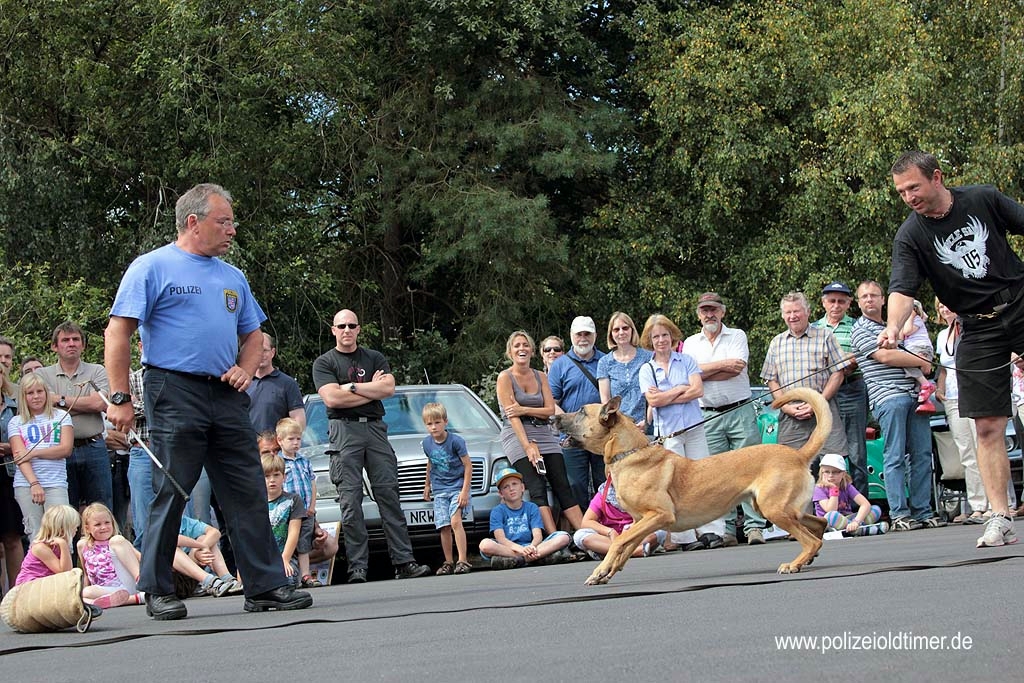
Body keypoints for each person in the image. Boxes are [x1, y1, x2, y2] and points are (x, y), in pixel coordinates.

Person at [105, 182, 311, 620]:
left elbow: (253, 334)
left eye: (233, 222)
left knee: (248, 488)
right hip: (173, 387)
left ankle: (265, 586)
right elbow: (117, 332)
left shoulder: (232, 277)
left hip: (227, 392)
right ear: (193, 222)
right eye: (224, 221)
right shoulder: (153, 266)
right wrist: (120, 397)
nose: (232, 230)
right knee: (173, 488)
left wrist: (245, 365)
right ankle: (158, 588)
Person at [883, 150, 1024, 547]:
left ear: (937, 178)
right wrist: (893, 326)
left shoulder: (982, 199)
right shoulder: (910, 235)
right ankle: (1000, 515)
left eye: (913, 187)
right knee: (988, 425)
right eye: (901, 192)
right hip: (976, 328)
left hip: (1019, 302)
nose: (908, 197)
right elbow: (901, 289)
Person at [311, 309, 430, 584]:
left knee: (389, 496)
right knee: (351, 503)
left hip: (376, 429)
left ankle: (404, 562)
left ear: (359, 329)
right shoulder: (324, 362)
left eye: (352, 325)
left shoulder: (374, 357)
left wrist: (349, 387)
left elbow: (388, 389)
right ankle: (357, 568)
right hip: (344, 431)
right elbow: (332, 400)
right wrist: (366, 388)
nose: (347, 330)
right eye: (341, 326)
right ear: (333, 330)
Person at [851, 279, 944, 531]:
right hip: (888, 397)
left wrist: (923, 360)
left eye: (874, 295)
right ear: (858, 303)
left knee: (922, 455)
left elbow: (924, 350)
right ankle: (900, 513)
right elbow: (886, 356)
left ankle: (923, 510)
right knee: (894, 456)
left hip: (916, 396)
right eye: (864, 297)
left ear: (884, 300)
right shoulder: (860, 329)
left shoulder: (897, 326)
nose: (869, 299)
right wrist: (922, 362)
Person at [683, 292, 767, 546]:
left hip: (740, 410)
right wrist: (718, 367)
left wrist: (701, 371)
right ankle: (727, 529)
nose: (709, 314)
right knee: (718, 476)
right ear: (698, 314)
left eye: (714, 309)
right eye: (704, 310)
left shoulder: (737, 335)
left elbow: (737, 368)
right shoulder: (690, 343)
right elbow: (689, 376)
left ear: (723, 311)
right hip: (707, 415)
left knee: (751, 469)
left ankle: (754, 528)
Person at [639, 313, 725, 550]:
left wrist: (667, 394)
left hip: (694, 427)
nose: (661, 340)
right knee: (676, 485)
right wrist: (680, 389)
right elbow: (653, 402)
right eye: (656, 336)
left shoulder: (686, 360)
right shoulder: (646, 368)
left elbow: (697, 391)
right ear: (650, 340)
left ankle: (712, 531)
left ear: (672, 336)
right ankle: (684, 537)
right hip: (669, 434)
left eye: (665, 335)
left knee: (706, 480)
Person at [495, 330, 583, 535]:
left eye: (525, 345)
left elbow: (549, 410)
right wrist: (527, 447)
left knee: (563, 485)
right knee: (537, 488)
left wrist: (524, 408)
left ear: (532, 350)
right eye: (516, 346)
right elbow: (512, 416)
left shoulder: (541, 376)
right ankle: (555, 539)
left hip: (543, 432)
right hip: (517, 435)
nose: (521, 349)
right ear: (510, 352)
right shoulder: (505, 378)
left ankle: (585, 535)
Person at [760, 292, 850, 467]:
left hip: (824, 409)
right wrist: (785, 407)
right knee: (789, 467)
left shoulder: (825, 336)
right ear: (783, 315)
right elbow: (771, 380)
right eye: (788, 312)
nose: (792, 316)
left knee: (833, 465)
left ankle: (831, 496)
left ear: (807, 312)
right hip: (790, 415)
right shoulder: (776, 342)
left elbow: (838, 373)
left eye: (797, 311)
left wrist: (818, 402)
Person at [35, 321, 113, 510]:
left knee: (102, 509)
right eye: (65, 340)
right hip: (59, 451)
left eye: (76, 339)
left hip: (94, 447)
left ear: (83, 345)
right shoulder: (42, 375)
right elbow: (42, 408)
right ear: (55, 346)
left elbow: (100, 403)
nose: (71, 344)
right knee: (65, 511)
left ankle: (105, 542)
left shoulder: (97, 370)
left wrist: (59, 400)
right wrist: (85, 404)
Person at [813, 282, 870, 495]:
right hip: (825, 393)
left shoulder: (857, 327)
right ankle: (828, 504)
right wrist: (842, 361)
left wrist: (840, 361)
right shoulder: (814, 329)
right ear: (823, 302)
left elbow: (862, 355)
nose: (836, 305)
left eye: (841, 301)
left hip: (852, 389)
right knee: (827, 452)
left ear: (848, 303)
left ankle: (860, 504)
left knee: (856, 451)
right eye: (831, 301)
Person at [935, 299, 987, 523]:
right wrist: (939, 388)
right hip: (954, 398)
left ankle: (1000, 503)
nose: (945, 308)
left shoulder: (972, 326)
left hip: (976, 392)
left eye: (949, 304)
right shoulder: (941, 336)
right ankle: (978, 505)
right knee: (966, 453)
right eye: (941, 306)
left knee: (986, 446)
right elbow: (944, 370)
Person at [548, 316, 606, 510]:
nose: (583, 338)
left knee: (604, 481)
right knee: (576, 485)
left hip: (601, 434)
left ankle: (606, 524)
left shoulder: (606, 361)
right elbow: (551, 403)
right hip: (572, 436)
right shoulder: (560, 365)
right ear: (572, 336)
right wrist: (572, 424)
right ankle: (582, 530)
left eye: (587, 334)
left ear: (595, 336)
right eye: (579, 334)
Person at [8, 373, 73, 537]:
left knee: (61, 534)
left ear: (46, 392)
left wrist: (33, 452)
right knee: (36, 536)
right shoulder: (16, 422)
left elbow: (65, 449)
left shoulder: (62, 416)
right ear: (23, 396)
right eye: (30, 393)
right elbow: (19, 457)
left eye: (40, 391)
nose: (36, 396)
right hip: (26, 485)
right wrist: (34, 483)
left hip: (56, 482)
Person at [478, 467, 571, 569]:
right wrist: (520, 550)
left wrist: (531, 547)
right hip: (509, 547)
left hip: (532, 546)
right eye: (506, 487)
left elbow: (537, 535)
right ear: (501, 493)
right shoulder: (497, 511)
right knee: (485, 545)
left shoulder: (532, 507)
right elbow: (501, 539)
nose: (511, 489)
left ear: (522, 487)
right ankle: (534, 558)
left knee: (563, 537)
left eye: (514, 484)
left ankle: (519, 559)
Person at [421, 402, 473, 575]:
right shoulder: (427, 443)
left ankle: (463, 560)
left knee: (455, 521)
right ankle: (448, 561)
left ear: (445, 422)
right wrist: (427, 485)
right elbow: (431, 463)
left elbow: (467, 466)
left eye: (437, 422)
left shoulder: (456, 441)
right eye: (429, 424)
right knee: (443, 525)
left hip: (457, 487)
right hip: (440, 489)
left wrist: (465, 491)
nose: (434, 427)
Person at [275, 417, 321, 587]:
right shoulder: (278, 462)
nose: (295, 443)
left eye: (298, 439)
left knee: (304, 544)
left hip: (305, 512)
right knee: (287, 541)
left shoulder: (304, 461)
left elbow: (312, 483)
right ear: (280, 441)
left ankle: (306, 574)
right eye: (291, 439)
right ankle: (283, 573)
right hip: (287, 513)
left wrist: (312, 506)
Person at [572, 479, 666, 560]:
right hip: (610, 538)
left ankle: (608, 552)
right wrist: (610, 532)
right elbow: (586, 522)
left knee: (661, 531)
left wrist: (632, 528)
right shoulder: (603, 494)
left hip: (634, 535)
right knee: (580, 536)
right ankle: (632, 552)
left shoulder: (642, 492)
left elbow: (651, 517)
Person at [77, 502, 145, 608]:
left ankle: (143, 584)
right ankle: (135, 599)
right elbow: (86, 574)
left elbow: (141, 558)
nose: (104, 527)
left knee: (116, 540)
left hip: (126, 584)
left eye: (107, 522)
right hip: (105, 590)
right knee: (86, 592)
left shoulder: (119, 542)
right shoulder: (82, 546)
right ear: (87, 528)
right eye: (97, 524)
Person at [597, 312, 653, 431]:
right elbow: (606, 401)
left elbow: (655, 391)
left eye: (625, 328)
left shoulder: (648, 357)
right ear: (611, 334)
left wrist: (647, 422)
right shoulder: (604, 362)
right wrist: (618, 424)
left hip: (647, 425)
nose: (621, 332)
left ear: (632, 330)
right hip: (619, 428)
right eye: (616, 329)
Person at [0, 335, 25, 594]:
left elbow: (27, 437)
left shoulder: (16, 403)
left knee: (12, 536)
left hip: (9, 473)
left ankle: (18, 594)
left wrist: (10, 447)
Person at [812, 454, 888, 536]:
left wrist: (856, 521)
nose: (830, 475)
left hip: (847, 519)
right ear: (821, 473)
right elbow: (831, 509)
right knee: (831, 516)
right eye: (827, 472)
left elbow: (865, 504)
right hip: (828, 522)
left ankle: (853, 529)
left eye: (835, 472)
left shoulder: (847, 486)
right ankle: (862, 530)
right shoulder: (819, 489)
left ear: (843, 474)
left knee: (876, 509)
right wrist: (834, 489)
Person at [247, 333, 306, 434]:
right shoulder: (243, 382)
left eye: (265, 350)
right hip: (247, 447)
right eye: (257, 350)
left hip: (276, 447)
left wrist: (287, 445)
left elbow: (298, 421)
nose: (261, 354)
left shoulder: (288, 384)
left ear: (273, 352)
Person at [262, 453, 305, 588]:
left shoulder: (293, 500)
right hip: (261, 558)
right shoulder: (254, 503)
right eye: (267, 476)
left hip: (285, 555)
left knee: (287, 582)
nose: (271, 480)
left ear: (284, 477)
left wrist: (285, 558)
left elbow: (294, 532)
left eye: (276, 475)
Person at [126, 347, 154, 551]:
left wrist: (140, 405)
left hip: (173, 453)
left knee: (183, 516)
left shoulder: (178, 378)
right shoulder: (131, 378)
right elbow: (122, 409)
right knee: (143, 519)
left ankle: (188, 577)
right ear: (139, 348)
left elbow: (178, 410)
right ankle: (147, 575)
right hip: (141, 451)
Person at [14, 504, 79, 587]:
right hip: (30, 585)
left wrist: (63, 546)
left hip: (45, 583)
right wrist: (63, 545)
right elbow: (64, 572)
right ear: (63, 530)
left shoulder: (58, 546)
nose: (77, 529)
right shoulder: (40, 548)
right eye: (74, 527)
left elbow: (68, 571)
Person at [176, 514, 239, 597]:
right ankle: (210, 582)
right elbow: (172, 539)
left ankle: (227, 579)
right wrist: (201, 546)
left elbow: (215, 532)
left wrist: (197, 550)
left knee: (205, 538)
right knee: (171, 549)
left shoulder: (183, 521)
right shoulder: (155, 520)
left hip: (188, 579)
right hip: (168, 583)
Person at [900, 299, 937, 415]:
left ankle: (926, 384)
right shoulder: (906, 322)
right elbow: (900, 336)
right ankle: (926, 402)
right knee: (915, 379)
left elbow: (907, 331)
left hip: (921, 348)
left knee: (904, 362)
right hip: (914, 349)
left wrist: (911, 315)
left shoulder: (917, 320)